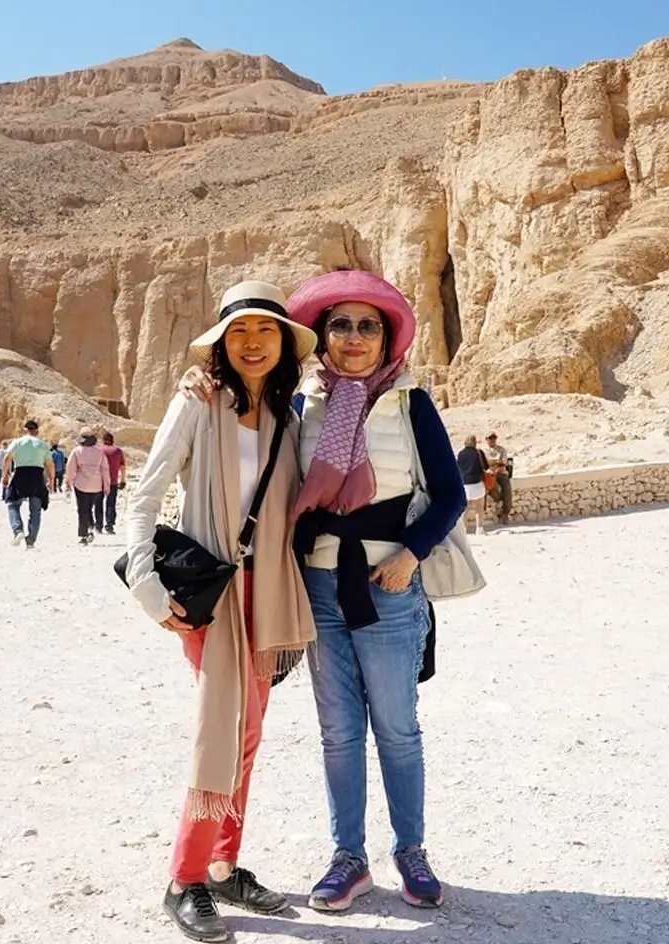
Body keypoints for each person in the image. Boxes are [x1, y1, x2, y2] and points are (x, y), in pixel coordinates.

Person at [177, 271, 465, 913]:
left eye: (369, 325)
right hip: (317, 590)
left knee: (397, 730)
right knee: (338, 733)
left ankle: (411, 852)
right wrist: (201, 379)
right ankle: (348, 858)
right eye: (341, 325)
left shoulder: (410, 402)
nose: (355, 337)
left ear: (386, 336)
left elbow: (449, 494)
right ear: (324, 336)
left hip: (388, 587)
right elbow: (247, 431)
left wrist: (411, 555)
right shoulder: (301, 404)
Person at [125, 280, 319, 943]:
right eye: (240, 332)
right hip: (213, 597)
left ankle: (223, 861)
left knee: (250, 732)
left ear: (285, 344)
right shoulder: (197, 405)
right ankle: (185, 878)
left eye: (266, 331)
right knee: (223, 730)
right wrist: (145, 586)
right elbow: (144, 496)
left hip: (269, 594)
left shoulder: (288, 421)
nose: (254, 343)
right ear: (221, 344)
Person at [1, 421, 54, 548]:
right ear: (37, 431)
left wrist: (4, 476)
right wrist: (51, 480)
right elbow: (50, 464)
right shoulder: (42, 444)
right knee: (35, 510)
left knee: (13, 504)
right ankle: (31, 540)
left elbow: (7, 458)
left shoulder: (18, 442)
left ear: (25, 430)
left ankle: (18, 530)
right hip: (36, 476)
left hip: (20, 474)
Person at [65, 427, 111, 545]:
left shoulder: (77, 451)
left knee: (82, 510)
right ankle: (90, 527)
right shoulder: (100, 451)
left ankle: (84, 534)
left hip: (81, 484)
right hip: (96, 485)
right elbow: (105, 469)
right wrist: (106, 485)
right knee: (89, 508)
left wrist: (68, 482)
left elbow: (71, 468)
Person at [456, 435, 489, 535]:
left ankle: (464, 530)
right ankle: (479, 529)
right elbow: (486, 467)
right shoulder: (478, 453)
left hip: (464, 485)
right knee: (479, 508)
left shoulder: (460, 454)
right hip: (477, 484)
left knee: (464, 509)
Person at [95, 431, 127, 535]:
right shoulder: (118, 451)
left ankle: (98, 525)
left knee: (98, 503)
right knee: (110, 504)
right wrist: (123, 480)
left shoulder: (98, 450)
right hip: (112, 481)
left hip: (99, 481)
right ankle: (109, 525)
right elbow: (122, 467)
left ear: (103, 440)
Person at [484, 432, 512, 525]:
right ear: (486, 439)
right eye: (490, 438)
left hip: (501, 472)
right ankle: (499, 500)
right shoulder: (484, 452)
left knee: (507, 489)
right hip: (491, 474)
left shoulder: (501, 450)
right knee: (491, 487)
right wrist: (495, 463)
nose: (492, 439)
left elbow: (503, 462)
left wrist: (494, 465)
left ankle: (505, 513)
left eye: (494, 437)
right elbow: (486, 464)